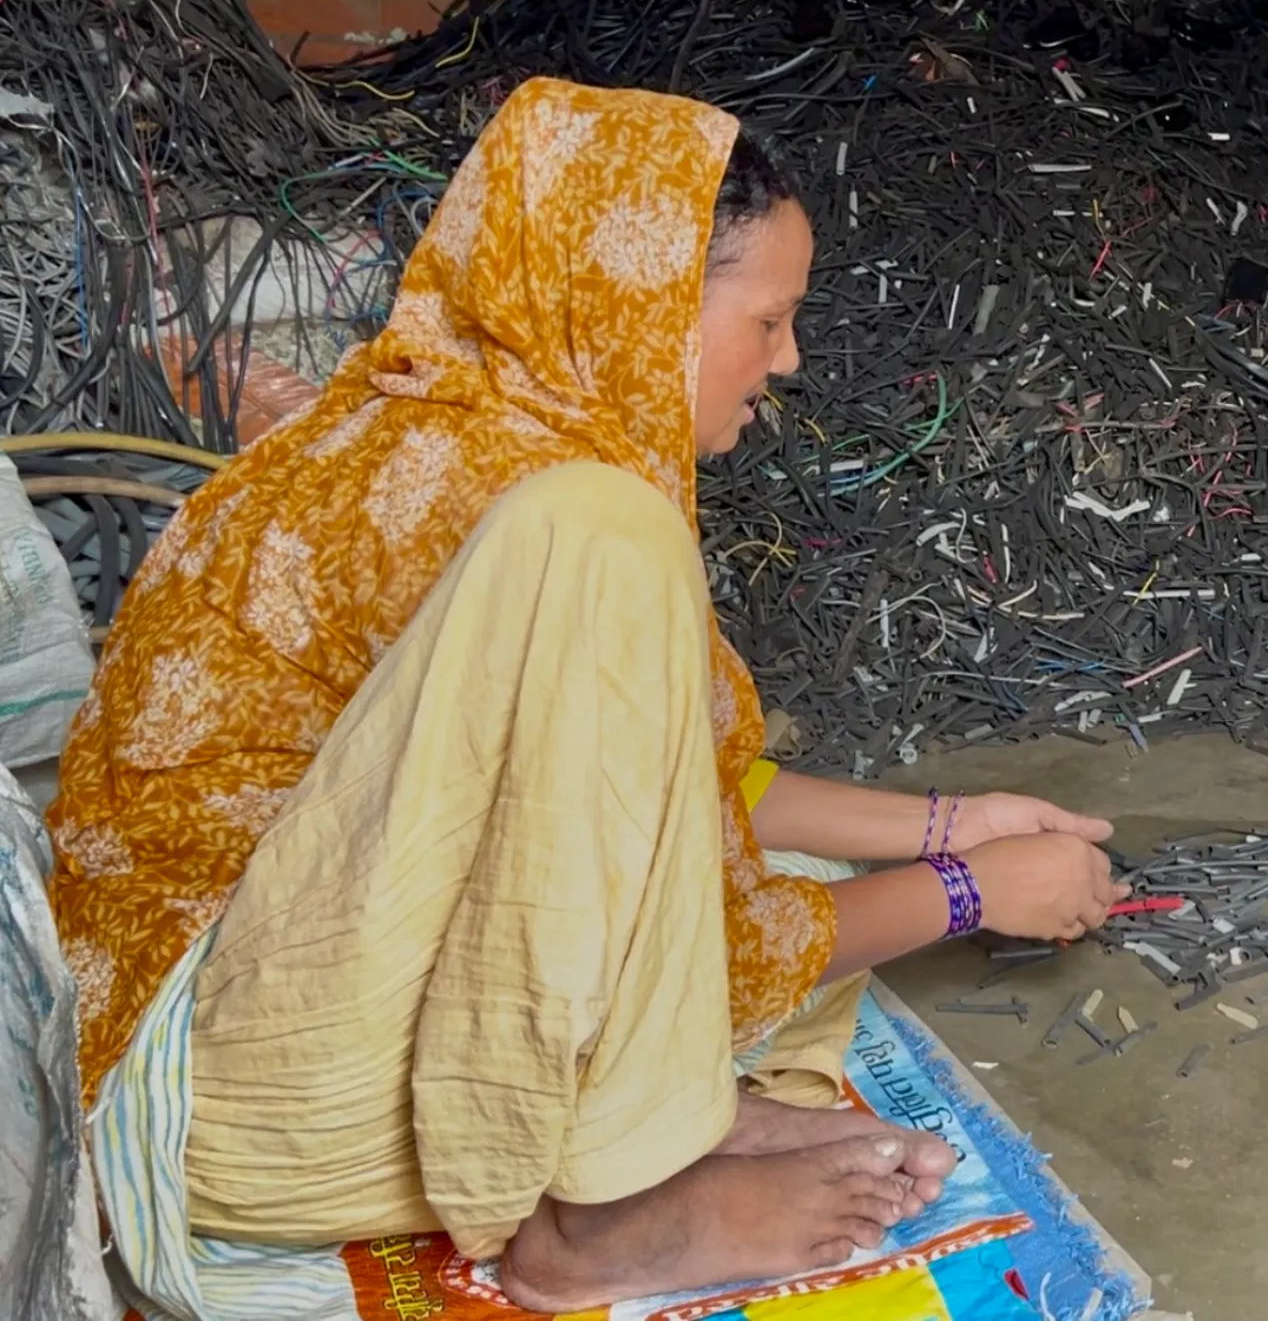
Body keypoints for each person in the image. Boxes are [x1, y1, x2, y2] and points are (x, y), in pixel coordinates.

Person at [48, 78, 1130, 1315]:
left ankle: (653, 1137)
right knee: (605, 544)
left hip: (290, 993)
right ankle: (604, 1211)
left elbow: (659, 798)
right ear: (647, 303)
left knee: (751, 872)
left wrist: (950, 822)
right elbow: (644, 922)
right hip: (234, 1096)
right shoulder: (542, 501)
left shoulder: (485, 430)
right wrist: (966, 893)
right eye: (770, 317)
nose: (788, 358)